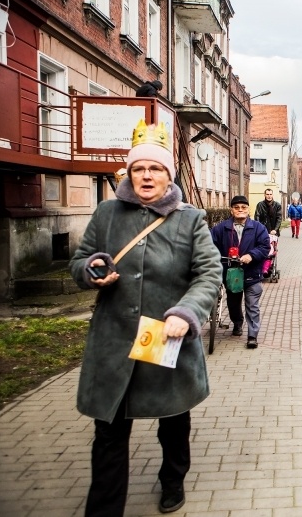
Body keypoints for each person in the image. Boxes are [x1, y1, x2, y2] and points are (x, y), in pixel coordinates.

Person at [69, 120, 222, 515]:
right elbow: (79, 260)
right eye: (139, 168)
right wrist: (92, 269)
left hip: (165, 340)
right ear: (129, 173)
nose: (147, 175)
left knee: (173, 422)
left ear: (168, 175)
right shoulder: (106, 214)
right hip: (115, 342)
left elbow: (208, 273)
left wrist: (187, 313)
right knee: (108, 432)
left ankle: (173, 481)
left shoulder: (190, 219)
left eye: (155, 168)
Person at [210, 195, 271, 349]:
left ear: (248, 209)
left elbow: (265, 247)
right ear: (232, 210)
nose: (240, 210)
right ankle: (237, 323)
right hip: (231, 275)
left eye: (243, 207)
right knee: (233, 304)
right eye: (236, 207)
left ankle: (252, 335)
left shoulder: (258, 228)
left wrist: (251, 255)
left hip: (252, 273)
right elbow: (210, 246)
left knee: (252, 305)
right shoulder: (220, 228)